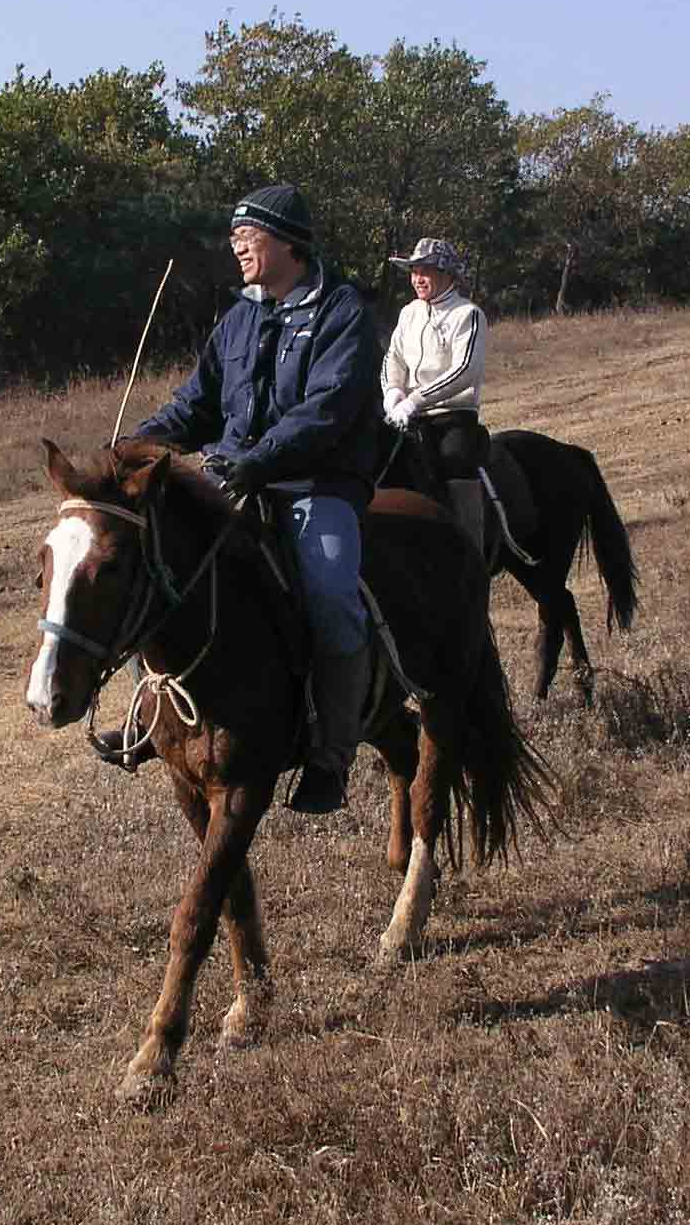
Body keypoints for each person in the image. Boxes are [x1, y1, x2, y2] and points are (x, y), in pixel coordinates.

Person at [130, 184, 383, 815]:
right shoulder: (239, 317)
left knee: (331, 600)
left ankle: (332, 752)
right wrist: (136, 445)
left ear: (288, 243)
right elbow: (198, 402)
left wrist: (255, 461)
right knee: (151, 567)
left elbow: (326, 412)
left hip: (315, 487)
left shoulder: (343, 313)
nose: (237, 245)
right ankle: (149, 716)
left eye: (250, 236)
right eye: (236, 236)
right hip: (236, 478)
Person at [381, 236, 491, 558]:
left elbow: (465, 370)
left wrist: (415, 400)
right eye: (414, 271)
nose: (418, 278)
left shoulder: (468, 314)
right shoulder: (408, 313)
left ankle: (472, 554)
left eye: (426, 270)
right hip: (404, 415)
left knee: (456, 465)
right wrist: (392, 393)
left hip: (451, 416)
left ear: (448, 276)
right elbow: (394, 358)